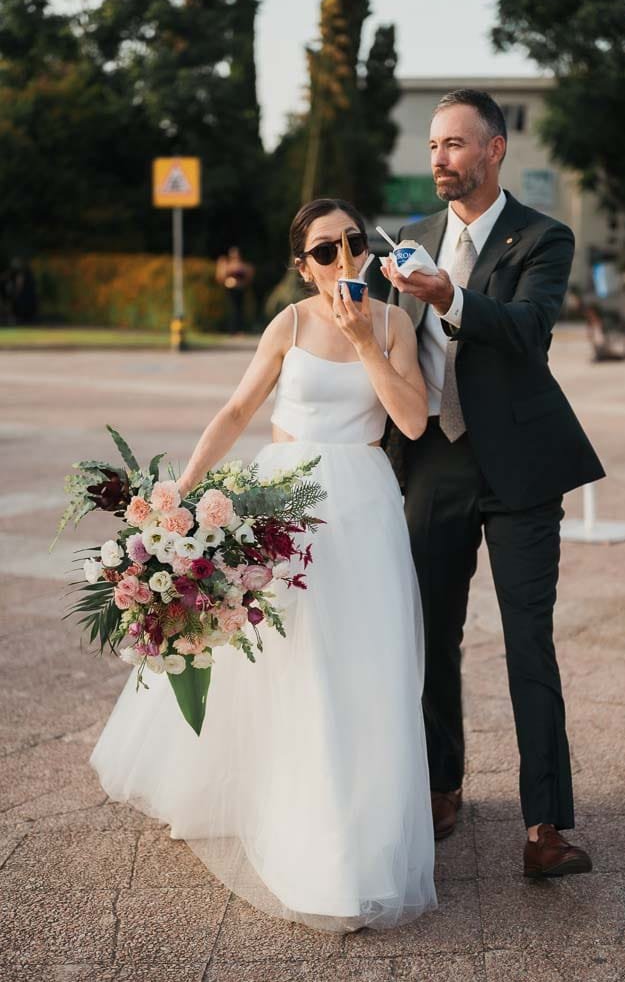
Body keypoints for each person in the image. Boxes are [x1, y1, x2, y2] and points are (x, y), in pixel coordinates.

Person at [91, 198, 437, 932]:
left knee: (362, 667)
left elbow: (409, 421)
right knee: (289, 662)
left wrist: (366, 340)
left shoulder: (393, 321)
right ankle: (288, 811)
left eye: (350, 243)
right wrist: (179, 491)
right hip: (283, 500)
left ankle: (358, 833)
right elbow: (238, 410)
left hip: (364, 504)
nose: (341, 259)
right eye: (322, 250)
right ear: (299, 263)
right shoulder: (286, 323)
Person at [382, 89, 605, 877]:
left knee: (527, 642)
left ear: (494, 150)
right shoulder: (410, 236)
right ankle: (441, 787)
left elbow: (527, 330)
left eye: (454, 145)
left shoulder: (543, 235)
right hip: (433, 460)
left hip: (517, 463)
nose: (438, 158)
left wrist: (451, 297)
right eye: (434, 145)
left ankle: (544, 824)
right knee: (430, 636)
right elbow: (388, 349)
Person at [215, 246, 255, 333]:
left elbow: (248, 276)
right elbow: (221, 276)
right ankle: (232, 329)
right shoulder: (226, 264)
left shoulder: (243, 265)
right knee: (232, 310)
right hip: (230, 289)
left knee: (239, 310)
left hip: (240, 289)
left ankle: (239, 329)